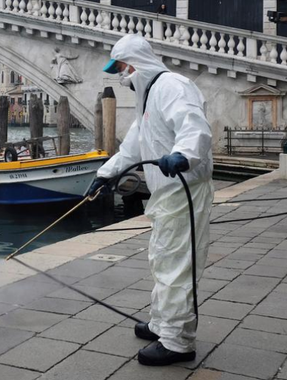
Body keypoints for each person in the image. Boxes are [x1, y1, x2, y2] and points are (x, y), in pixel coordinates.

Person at [86, 34, 214, 366]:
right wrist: (105, 174)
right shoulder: (148, 97)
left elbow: (193, 124)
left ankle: (176, 341)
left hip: (182, 189)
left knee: (176, 264)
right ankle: (162, 323)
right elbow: (132, 146)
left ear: (134, 65)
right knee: (162, 259)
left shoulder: (172, 86)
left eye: (123, 69)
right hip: (165, 194)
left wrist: (183, 156)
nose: (122, 78)